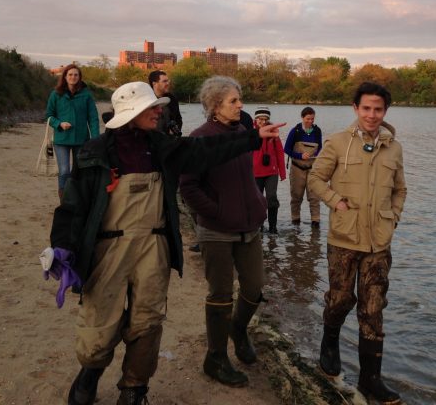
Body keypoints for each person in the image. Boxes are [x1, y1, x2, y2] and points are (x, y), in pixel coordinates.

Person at [48, 81, 283, 405]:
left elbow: (205, 151)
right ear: (133, 114)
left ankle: (134, 389)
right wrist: (63, 247)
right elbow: (72, 207)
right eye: (152, 108)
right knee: (100, 323)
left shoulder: (162, 148)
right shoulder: (95, 152)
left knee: (148, 321)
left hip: (153, 247)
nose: (159, 111)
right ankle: (90, 373)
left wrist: (253, 137)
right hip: (108, 250)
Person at [308, 82, 406, 405]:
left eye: (378, 109)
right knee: (339, 299)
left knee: (373, 309)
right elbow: (315, 179)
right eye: (366, 108)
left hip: (378, 243)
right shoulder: (337, 142)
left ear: (385, 111)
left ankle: (371, 380)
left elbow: (399, 189)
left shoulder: (394, 147)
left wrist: (393, 217)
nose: (372, 115)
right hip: (344, 238)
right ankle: (330, 342)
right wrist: (335, 201)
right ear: (355, 108)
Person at [180, 77, 279, 388]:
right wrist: (217, 212)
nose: (240, 106)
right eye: (233, 101)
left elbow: (248, 177)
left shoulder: (243, 133)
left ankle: (238, 329)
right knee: (221, 294)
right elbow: (188, 187)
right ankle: (216, 357)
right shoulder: (199, 138)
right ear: (214, 105)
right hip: (217, 231)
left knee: (254, 287)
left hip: (249, 227)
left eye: (240, 100)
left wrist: (260, 203)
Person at [45, 64, 99, 199]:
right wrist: (59, 124)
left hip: (81, 139)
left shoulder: (86, 95)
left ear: (79, 77)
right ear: (65, 76)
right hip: (61, 139)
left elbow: (93, 119)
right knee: (64, 171)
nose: (73, 77)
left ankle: (75, 198)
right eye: (70, 74)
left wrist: (95, 139)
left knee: (78, 171)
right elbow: (49, 116)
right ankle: (64, 200)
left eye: (76, 75)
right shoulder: (56, 94)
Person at [284, 106, 323, 226]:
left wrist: (315, 154)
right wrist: (300, 156)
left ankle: (315, 222)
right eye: (307, 119)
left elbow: (320, 147)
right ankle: (295, 221)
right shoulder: (295, 131)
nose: (310, 121)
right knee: (296, 197)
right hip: (297, 168)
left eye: (312, 119)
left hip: (312, 169)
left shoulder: (317, 131)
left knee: (314, 197)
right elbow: (286, 149)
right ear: (302, 117)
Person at [252, 107, 287, 234]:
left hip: (272, 172)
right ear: (256, 119)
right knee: (258, 199)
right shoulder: (251, 132)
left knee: (272, 197)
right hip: (255, 172)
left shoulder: (273, 132)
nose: (262, 122)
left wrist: (282, 173)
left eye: (265, 119)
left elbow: (280, 153)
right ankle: (258, 226)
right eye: (260, 119)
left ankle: (273, 227)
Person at [148, 70, 182, 136]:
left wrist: (176, 130)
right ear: (154, 83)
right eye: (164, 81)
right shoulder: (146, 100)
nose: (168, 83)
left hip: (169, 141)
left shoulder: (172, 99)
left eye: (168, 80)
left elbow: (178, 119)